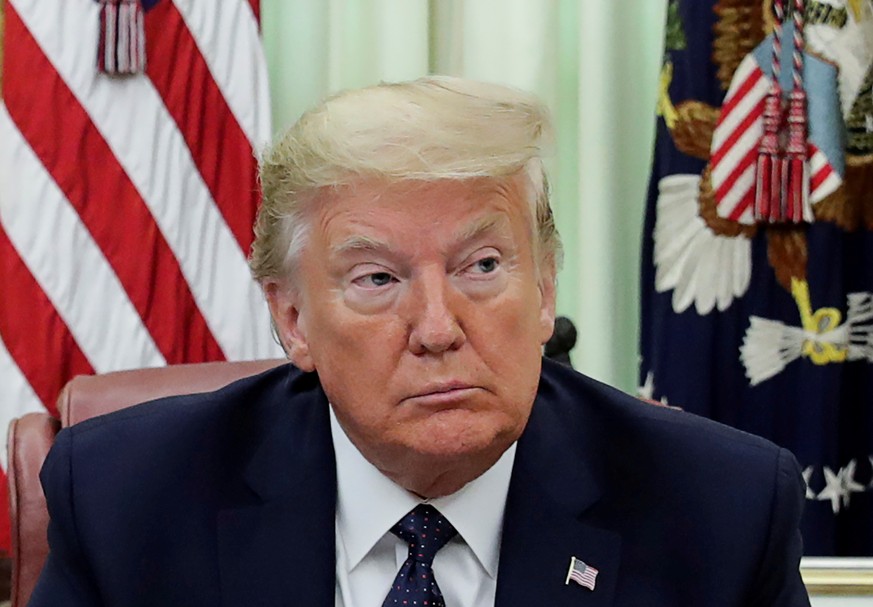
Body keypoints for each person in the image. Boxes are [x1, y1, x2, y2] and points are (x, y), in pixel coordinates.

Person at [29, 76, 811, 607]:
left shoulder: (720, 510)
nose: (438, 329)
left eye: (481, 265)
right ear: (293, 319)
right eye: (376, 279)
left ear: (544, 291)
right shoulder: (127, 498)